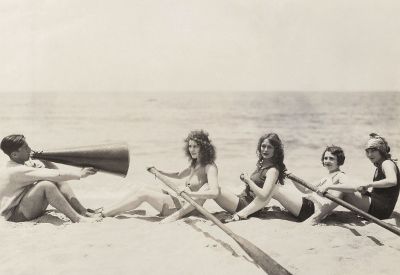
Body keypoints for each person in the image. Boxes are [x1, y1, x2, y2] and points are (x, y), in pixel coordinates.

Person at [215, 133, 345, 225]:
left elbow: (341, 195)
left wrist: (320, 215)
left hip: (313, 210)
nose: (327, 161)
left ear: (340, 161)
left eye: (331, 159)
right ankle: (243, 213)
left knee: (274, 189)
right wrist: (292, 176)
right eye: (326, 158)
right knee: (274, 189)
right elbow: (305, 190)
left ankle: (241, 214)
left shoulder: (340, 176)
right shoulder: (326, 178)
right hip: (306, 203)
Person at [101, 130, 219, 223]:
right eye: (190, 146)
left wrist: (190, 194)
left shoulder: (210, 168)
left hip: (185, 209)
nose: (192, 150)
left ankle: (104, 215)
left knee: (143, 194)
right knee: (142, 188)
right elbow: (179, 175)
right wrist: (158, 171)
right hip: (180, 200)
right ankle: (105, 210)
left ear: (203, 147)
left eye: (195, 146)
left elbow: (214, 192)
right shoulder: (196, 163)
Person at [0, 134, 100, 223]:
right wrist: (79, 174)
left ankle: (83, 211)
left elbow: (55, 174)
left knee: (55, 181)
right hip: (15, 215)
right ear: (14, 154)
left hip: (24, 208)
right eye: (26, 148)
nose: (30, 149)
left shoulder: (22, 165)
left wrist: (45, 159)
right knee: (46, 185)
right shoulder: (16, 170)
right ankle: (77, 219)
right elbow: (54, 174)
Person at [319, 133, 400, 220]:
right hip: (379, 206)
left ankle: (317, 217)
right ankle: (324, 208)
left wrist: (369, 184)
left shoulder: (387, 163)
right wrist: (366, 192)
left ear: (381, 151)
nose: (370, 155)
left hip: (381, 211)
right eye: (367, 151)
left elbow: (392, 181)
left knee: (343, 190)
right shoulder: (380, 165)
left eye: (373, 151)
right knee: (346, 185)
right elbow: (382, 193)